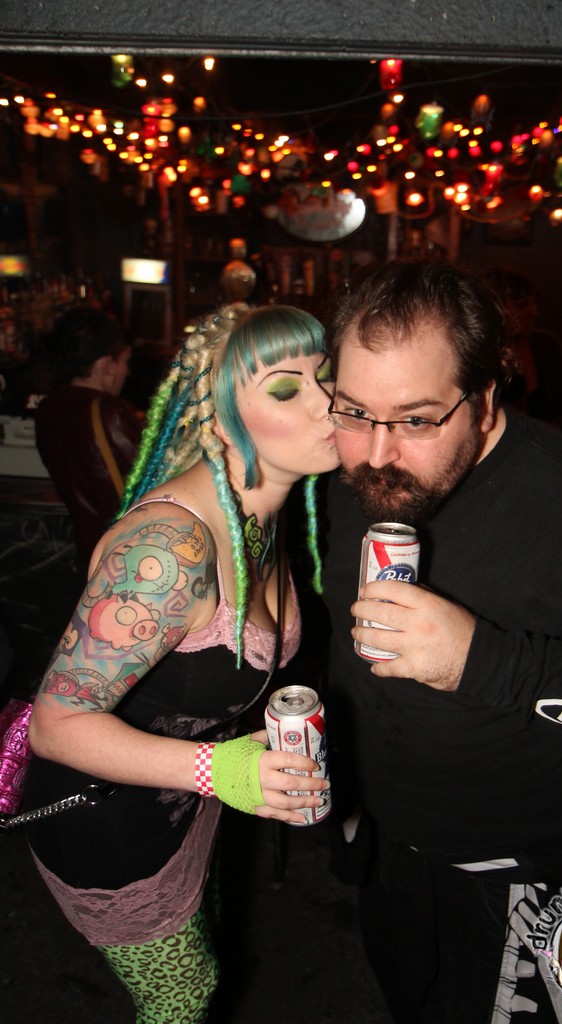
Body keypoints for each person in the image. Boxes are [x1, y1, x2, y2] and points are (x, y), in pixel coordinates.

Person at [321, 258, 562, 1023]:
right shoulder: (346, 474)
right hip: (399, 853)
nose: (376, 453)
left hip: (542, 879)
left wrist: (477, 660)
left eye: (416, 419)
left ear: (483, 402)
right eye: (353, 411)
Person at [23, 303, 338, 1024]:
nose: (327, 403)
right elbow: (56, 724)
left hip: (185, 804)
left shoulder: (262, 512)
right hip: (105, 821)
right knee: (180, 999)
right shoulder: (170, 550)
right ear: (222, 420)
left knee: (206, 959)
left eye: (327, 377)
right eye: (286, 388)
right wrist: (219, 769)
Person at [35, 307, 142, 563]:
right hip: (131, 554)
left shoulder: (48, 409)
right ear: (106, 365)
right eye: (124, 362)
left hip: (90, 552)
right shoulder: (109, 413)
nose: (127, 372)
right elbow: (156, 475)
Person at [485, 267, 562, 432]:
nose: (533, 312)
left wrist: (548, 437)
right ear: (497, 307)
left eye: (534, 303)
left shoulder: (546, 345)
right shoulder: (482, 349)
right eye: (522, 305)